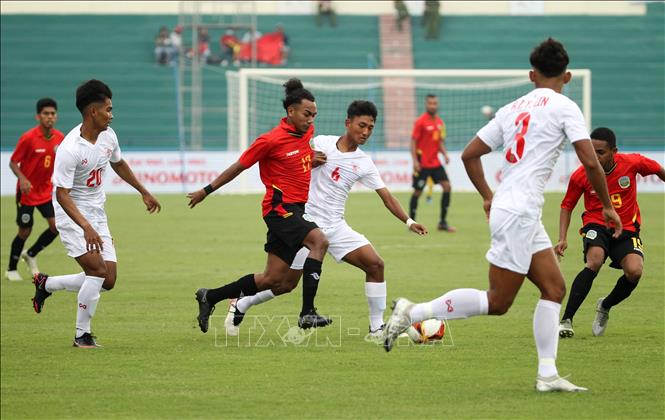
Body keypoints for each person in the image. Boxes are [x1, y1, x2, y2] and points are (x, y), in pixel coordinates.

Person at [382, 38, 623, 393]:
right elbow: (590, 161)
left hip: (516, 208)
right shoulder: (565, 105)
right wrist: (605, 205)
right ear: (568, 76)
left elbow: (468, 155)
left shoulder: (511, 108)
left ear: (531, 75)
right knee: (498, 301)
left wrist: (487, 197)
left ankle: (547, 374)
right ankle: (412, 311)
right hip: (519, 211)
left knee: (554, 289)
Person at [224, 100, 428, 340]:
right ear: (348, 123)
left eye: (371, 127)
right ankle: (242, 304)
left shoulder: (364, 162)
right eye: (361, 125)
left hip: (336, 226)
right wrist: (309, 157)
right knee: (284, 284)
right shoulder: (320, 143)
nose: (365, 132)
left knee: (375, 265)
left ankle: (376, 329)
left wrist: (409, 221)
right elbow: (289, 156)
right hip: (305, 224)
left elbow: (386, 197)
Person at [189, 79, 332, 333]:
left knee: (277, 281)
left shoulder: (306, 133)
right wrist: (206, 190)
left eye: (314, 115)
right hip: (279, 209)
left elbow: (296, 158)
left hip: (295, 209)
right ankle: (307, 313)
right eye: (307, 114)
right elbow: (238, 166)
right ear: (291, 112)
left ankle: (209, 296)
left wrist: (310, 159)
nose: (311, 120)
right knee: (319, 242)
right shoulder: (269, 140)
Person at [30, 80, 161, 348]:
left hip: (97, 212)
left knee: (108, 279)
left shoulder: (108, 136)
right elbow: (62, 194)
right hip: (72, 215)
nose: (112, 115)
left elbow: (119, 163)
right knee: (97, 271)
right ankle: (82, 335)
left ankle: (47, 284)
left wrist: (143, 191)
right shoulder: (70, 148)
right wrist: (85, 226)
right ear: (92, 111)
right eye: (108, 110)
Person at [556, 127, 665, 338]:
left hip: (627, 229)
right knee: (594, 261)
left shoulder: (632, 163)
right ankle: (566, 320)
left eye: (601, 152)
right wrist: (562, 238)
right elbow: (567, 205)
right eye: (591, 151)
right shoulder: (582, 174)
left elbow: (658, 169)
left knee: (634, 272)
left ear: (614, 151)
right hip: (596, 225)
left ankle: (605, 306)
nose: (595, 157)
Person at [5, 98, 64, 282]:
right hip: (27, 193)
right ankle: (11, 269)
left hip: (46, 191)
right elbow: (13, 162)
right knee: (25, 231)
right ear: (38, 116)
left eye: (52, 114)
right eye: (46, 114)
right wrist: (22, 179)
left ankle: (31, 254)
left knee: (56, 227)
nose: (50, 117)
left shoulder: (60, 139)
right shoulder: (28, 138)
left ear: (56, 116)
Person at [409, 94, 455, 232]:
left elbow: (439, 141)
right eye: (430, 103)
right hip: (422, 164)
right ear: (426, 104)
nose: (432, 106)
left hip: (435, 163)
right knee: (417, 192)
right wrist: (415, 160)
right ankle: (411, 223)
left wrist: (445, 154)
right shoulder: (420, 122)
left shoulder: (440, 123)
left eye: (435, 103)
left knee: (447, 187)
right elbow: (413, 142)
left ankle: (442, 222)